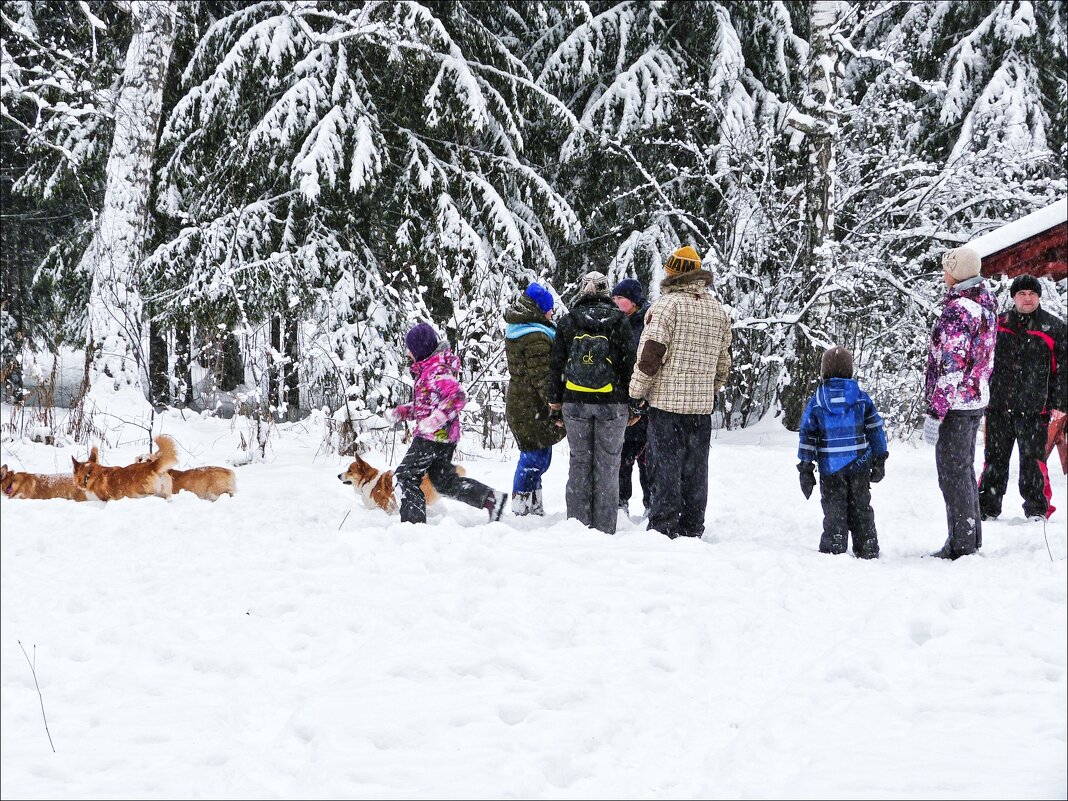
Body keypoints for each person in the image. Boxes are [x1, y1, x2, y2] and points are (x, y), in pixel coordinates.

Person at [629, 246, 732, 539]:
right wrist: (710, 388)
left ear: (673, 273)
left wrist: (636, 392)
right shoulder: (717, 310)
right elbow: (724, 361)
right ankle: (692, 525)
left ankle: (664, 526)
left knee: (665, 468)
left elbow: (651, 355)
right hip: (701, 409)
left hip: (666, 406)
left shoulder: (666, 306)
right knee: (696, 470)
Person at [386, 323, 509, 524]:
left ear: (420, 349)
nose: (408, 353)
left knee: (405, 477)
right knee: (443, 481)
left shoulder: (436, 370)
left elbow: (458, 396)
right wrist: (402, 412)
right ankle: (490, 499)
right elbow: (426, 406)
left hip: (432, 437)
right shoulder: (430, 369)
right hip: (443, 438)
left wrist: (436, 419)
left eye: (411, 348)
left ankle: (413, 526)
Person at [922, 246, 997, 560]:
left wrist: (935, 412)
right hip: (975, 399)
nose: (943, 274)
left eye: (946, 269)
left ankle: (961, 545)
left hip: (956, 404)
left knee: (952, 475)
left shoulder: (959, 309)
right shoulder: (985, 304)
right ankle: (969, 539)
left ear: (957, 273)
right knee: (964, 472)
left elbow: (951, 365)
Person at [548, 270, 635, 534]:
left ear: (583, 291)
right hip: (613, 403)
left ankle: (577, 526)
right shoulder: (620, 322)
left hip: (574, 402)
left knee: (579, 463)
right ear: (607, 292)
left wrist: (555, 402)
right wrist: (633, 403)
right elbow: (629, 365)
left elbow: (556, 364)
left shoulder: (568, 321)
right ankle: (605, 528)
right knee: (608, 466)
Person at [978, 274, 1066, 521]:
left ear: (1039, 296)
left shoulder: (1054, 327)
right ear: (1014, 297)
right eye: (1022, 294)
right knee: (994, 460)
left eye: (1032, 294)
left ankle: (1037, 508)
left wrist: (1060, 403)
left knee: (1033, 461)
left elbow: (1064, 369)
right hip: (998, 406)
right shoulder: (998, 324)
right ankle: (986, 507)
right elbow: (983, 362)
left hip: (1034, 408)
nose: (1027, 299)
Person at [797, 346, 888, 558]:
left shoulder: (818, 401)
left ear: (824, 371)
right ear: (850, 370)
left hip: (830, 467)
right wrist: (879, 457)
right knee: (861, 505)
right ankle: (867, 543)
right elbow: (875, 429)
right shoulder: (861, 398)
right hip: (859, 463)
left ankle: (834, 542)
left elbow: (807, 435)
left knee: (834, 506)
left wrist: (806, 467)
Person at [504, 283, 566, 515]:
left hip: (526, 404)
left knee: (539, 455)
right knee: (534, 457)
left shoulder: (525, 329)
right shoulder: (535, 337)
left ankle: (533, 507)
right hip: (529, 406)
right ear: (539, 309)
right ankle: (521, 508)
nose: (552, 314)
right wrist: (554, 403)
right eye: (549, 309)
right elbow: (542, 376)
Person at [612, 278, 652, 516]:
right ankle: (620, 502)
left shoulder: (648, 323)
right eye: (614, 299)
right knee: (622, 458)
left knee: (647, 459)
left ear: (634, 301)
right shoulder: (617, 323)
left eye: (621, 299)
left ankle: (651, 502)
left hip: (644, 400)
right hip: (621, 399)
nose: (616, 303)